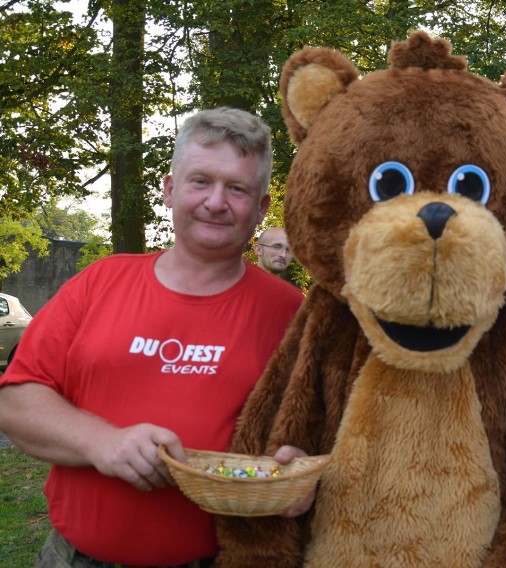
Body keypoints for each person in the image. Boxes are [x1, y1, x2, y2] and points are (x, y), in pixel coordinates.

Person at [0, 107, 306, 567]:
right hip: (75, 559)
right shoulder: (99, 283)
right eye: (200, 181)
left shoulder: (290, 312)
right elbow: (16, 400)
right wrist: (102, 442)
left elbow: (328, 424)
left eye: (237, 188)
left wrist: (301, 468)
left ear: (261, 207)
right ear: (169, 188)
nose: (216, 202)